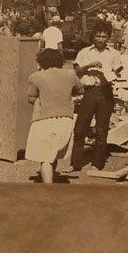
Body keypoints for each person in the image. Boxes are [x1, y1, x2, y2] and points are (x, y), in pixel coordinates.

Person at [69, 20, 122, 171]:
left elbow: (118, 71)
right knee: (80, 128)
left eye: (104, 37)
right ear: (93, 36)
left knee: (101, 129)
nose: (100, 39)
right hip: (89, 92)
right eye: (98, 36)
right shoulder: (85, 52)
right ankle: (75, 163)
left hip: (105, 93)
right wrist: (89, 66)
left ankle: (97, 163)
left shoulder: (114, 54)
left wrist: (110, 76)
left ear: (109, 38)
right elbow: (76, 72)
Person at [25, 48, 84, 183]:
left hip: (44, 120)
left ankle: (48, 188)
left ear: (41, 62)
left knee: (45, 157)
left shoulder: (35, 77)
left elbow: (31, 99)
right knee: (54, 153)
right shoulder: (70, 74)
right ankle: (51, 178)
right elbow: (80, 90)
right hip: (65, 119)